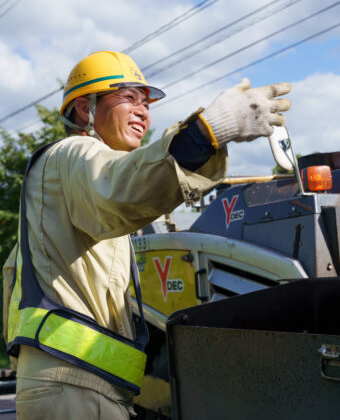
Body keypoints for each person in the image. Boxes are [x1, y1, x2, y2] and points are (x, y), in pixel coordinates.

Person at [3, 50, 291, 419]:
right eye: (127, 97)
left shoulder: (75, 181)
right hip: (72, 381)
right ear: (84, 110)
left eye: (146, 102)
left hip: (79, 379)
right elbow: (123, 187)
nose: (142, 111)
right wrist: (207, 131)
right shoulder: (74, 153)